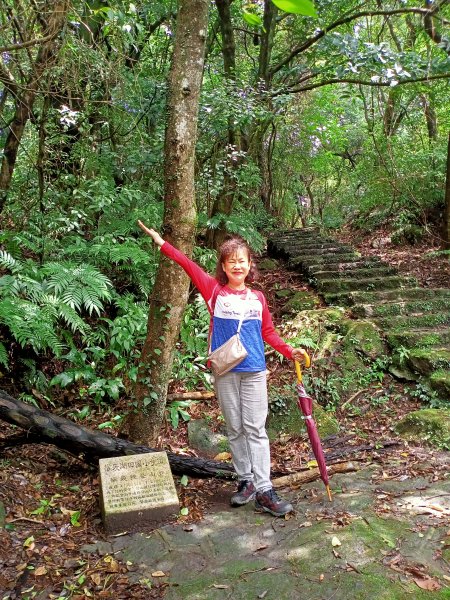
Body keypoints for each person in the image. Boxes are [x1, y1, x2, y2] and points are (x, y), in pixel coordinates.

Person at [138, 220, 307, 517]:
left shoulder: (258, 298)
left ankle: (265, 488)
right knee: (235, 427)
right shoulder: (214, 292)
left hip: (254, 369)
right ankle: (246, 481)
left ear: (249, 264)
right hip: (226, 369)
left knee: (255, 428)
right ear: (224, 266)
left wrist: (289, 350)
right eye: (232, 262)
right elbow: (188, 265)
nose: (238, 266)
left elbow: (268, 332)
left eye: (242, 261)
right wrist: (162, 243)